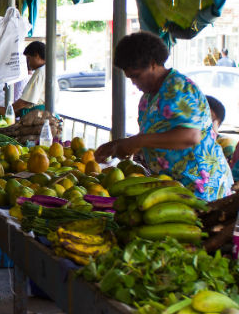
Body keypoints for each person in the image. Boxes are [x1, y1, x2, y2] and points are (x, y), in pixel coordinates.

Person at [94, 31, 232, 201]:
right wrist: (119, 144)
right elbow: (157, 135)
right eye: (130, 78)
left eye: (137, 76)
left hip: (200, 185)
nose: (134, 83)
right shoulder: (148, 97)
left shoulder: (178, 87)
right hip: (172, 184)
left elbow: (190, 136)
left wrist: (138, 141)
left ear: (153, 64)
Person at [12, 41, 56, 117]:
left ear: (37, 55)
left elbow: (25, 102)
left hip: (38, 116)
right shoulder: (47, 70)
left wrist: (8, 110)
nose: (28, 63)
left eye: (29, 58)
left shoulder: (40, 72)